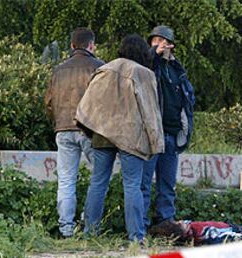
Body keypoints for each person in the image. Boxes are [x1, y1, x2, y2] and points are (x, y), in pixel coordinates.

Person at [76, 34, 164, 243]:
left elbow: (88, 105)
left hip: (103, 133)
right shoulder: (143, 73)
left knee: (97, 183)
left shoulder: (104, 69)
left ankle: (90, 233)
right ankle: (136, 237)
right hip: (130, 136)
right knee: (132, 185)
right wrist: (155, 142)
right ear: (142, 51)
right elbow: (151, 112)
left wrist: (91, 130)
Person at [44, 27, 104, 238]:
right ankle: (90, 227)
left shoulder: (58, 70)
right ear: (91, 45)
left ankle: (66, 229)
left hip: (63, 128)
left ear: (71, 46)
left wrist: (58, 122)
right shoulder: (99, 67)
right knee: (98, 179)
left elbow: (49, 103)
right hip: (90, 130)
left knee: (66, 180)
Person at [141, 25, 195, 228]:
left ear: (171, 45)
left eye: (163, 41)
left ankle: (165, 221)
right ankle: (142, 224)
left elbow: (187, 98)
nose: (159, 45)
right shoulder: (148, 65)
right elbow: (145, 64)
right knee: (144, 182)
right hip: (153, 132)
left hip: (172, 133)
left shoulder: (176, 68)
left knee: (167, 183)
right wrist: (154, 53)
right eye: (155, 41)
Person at [149, 220, 242, 245]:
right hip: (232, 230)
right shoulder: (204, 234)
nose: (182, 221)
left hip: (228, 226)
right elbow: (225, 237)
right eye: (179, 223)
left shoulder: (191, 227)